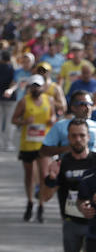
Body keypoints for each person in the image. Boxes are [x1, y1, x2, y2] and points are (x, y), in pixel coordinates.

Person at [40, 118, 96, 252]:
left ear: (88, 137)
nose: (77, 139)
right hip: (71, 224)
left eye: (82, 135)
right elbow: (45, 197)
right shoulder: (62, 162)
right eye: (73, 135)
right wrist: (51, 177)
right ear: (68, 138)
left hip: (94, 224)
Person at [12, 73, 55, 221]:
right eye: (33, 86)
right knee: (29, 175)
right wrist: (24, 122)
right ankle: (30, 202)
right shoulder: (24, 101)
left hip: (44, 144)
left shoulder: (49, 100)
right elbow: (14, 119)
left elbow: (53, 118)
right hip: (28, 143)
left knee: (44, 175)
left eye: (38, 86)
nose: (36, 89)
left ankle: (41, 205)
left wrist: (52, 120)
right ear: (30, 87)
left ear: (43, 87)